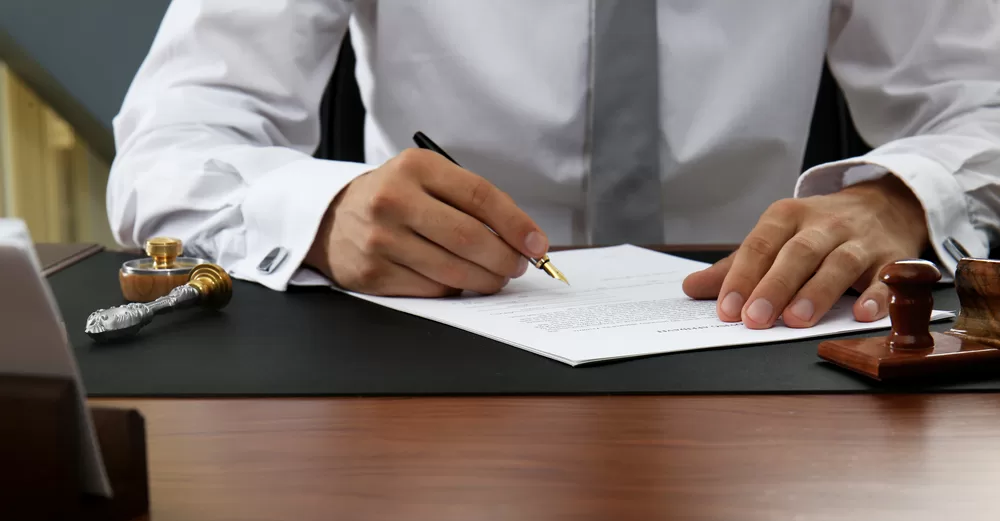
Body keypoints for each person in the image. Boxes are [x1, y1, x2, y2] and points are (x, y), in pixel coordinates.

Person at [108, 1, 1000, 330]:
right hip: (422, 367)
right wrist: (321, 209)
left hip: (765, 348)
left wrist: (902, 198)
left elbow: (980, 97)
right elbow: (171, 142)